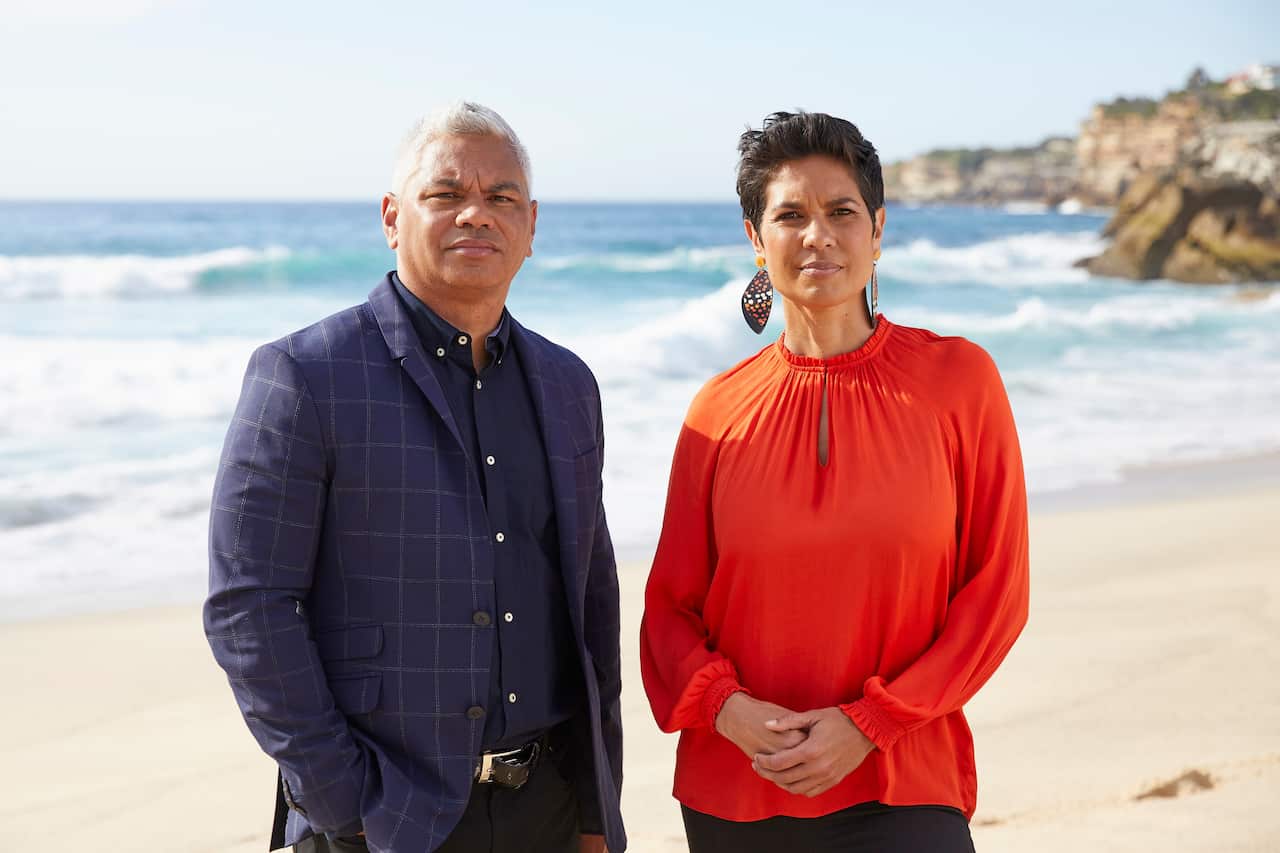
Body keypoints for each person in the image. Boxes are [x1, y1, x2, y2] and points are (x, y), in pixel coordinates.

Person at [205, 102, 624, 853]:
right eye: (446, 194)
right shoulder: (304, 375)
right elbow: (249, 605)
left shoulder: (568, 385)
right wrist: (343, 802)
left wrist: (597, 807)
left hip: (550, 810)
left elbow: (591, 601)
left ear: (530, 227)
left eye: (501, 198)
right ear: (393, 217)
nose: (476, 214)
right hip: (385, 820)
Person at [639, 110, 1030, 853]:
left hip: (903, 777)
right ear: (757, 240)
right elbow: (669, 610)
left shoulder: (959, 382)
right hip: (739, 784)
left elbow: (997, 592)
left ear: (877, 230)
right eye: (790, 214)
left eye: (841, 211)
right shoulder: (715, 411)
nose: (817, 235)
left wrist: (872, 722)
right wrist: (726, 709)